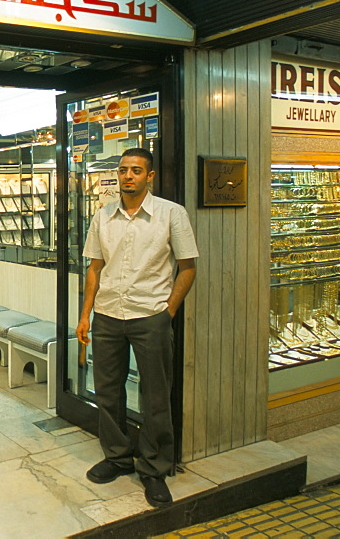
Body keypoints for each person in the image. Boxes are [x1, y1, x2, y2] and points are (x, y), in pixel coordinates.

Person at [75, 148, 198, 508]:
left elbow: (187, 267)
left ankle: (154, 468)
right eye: (124, 170)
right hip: (109, 315)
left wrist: (167, 312)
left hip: (151, 316)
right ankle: (117, 456)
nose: (128, 176)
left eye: (136, 171)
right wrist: (86, 316)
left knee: (156, 394)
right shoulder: (103, 216)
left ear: (150, 176)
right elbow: (95, 268)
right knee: (108, 391)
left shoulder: (171, 214)